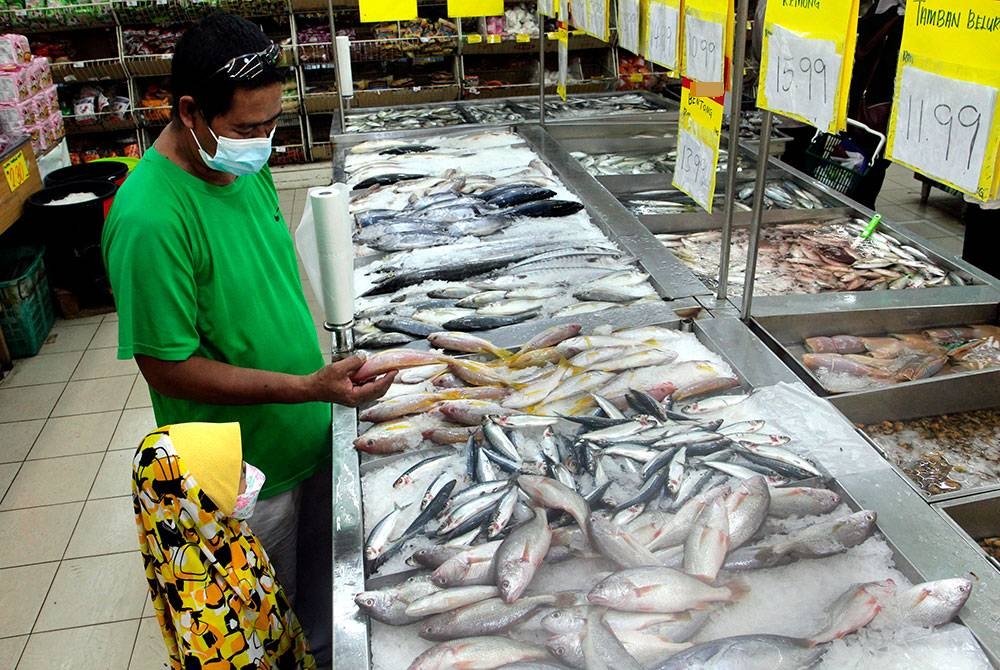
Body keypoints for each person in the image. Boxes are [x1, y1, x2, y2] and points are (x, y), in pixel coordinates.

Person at [102, 13, 396, 667]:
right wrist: (304, 386)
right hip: (244, 472)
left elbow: (268, 267)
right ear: (189, 111)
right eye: (246, 128)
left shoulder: (246, 164)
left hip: (310, 429)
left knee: (327, 604)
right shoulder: (150, 219)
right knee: (267, 627)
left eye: (271, 124)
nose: (263, 142)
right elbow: (166, 367)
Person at [132, 422, 315, 669]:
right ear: (196, 497)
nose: (250, 474)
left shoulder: (217, 532)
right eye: (239, 473)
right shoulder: (206, 625)